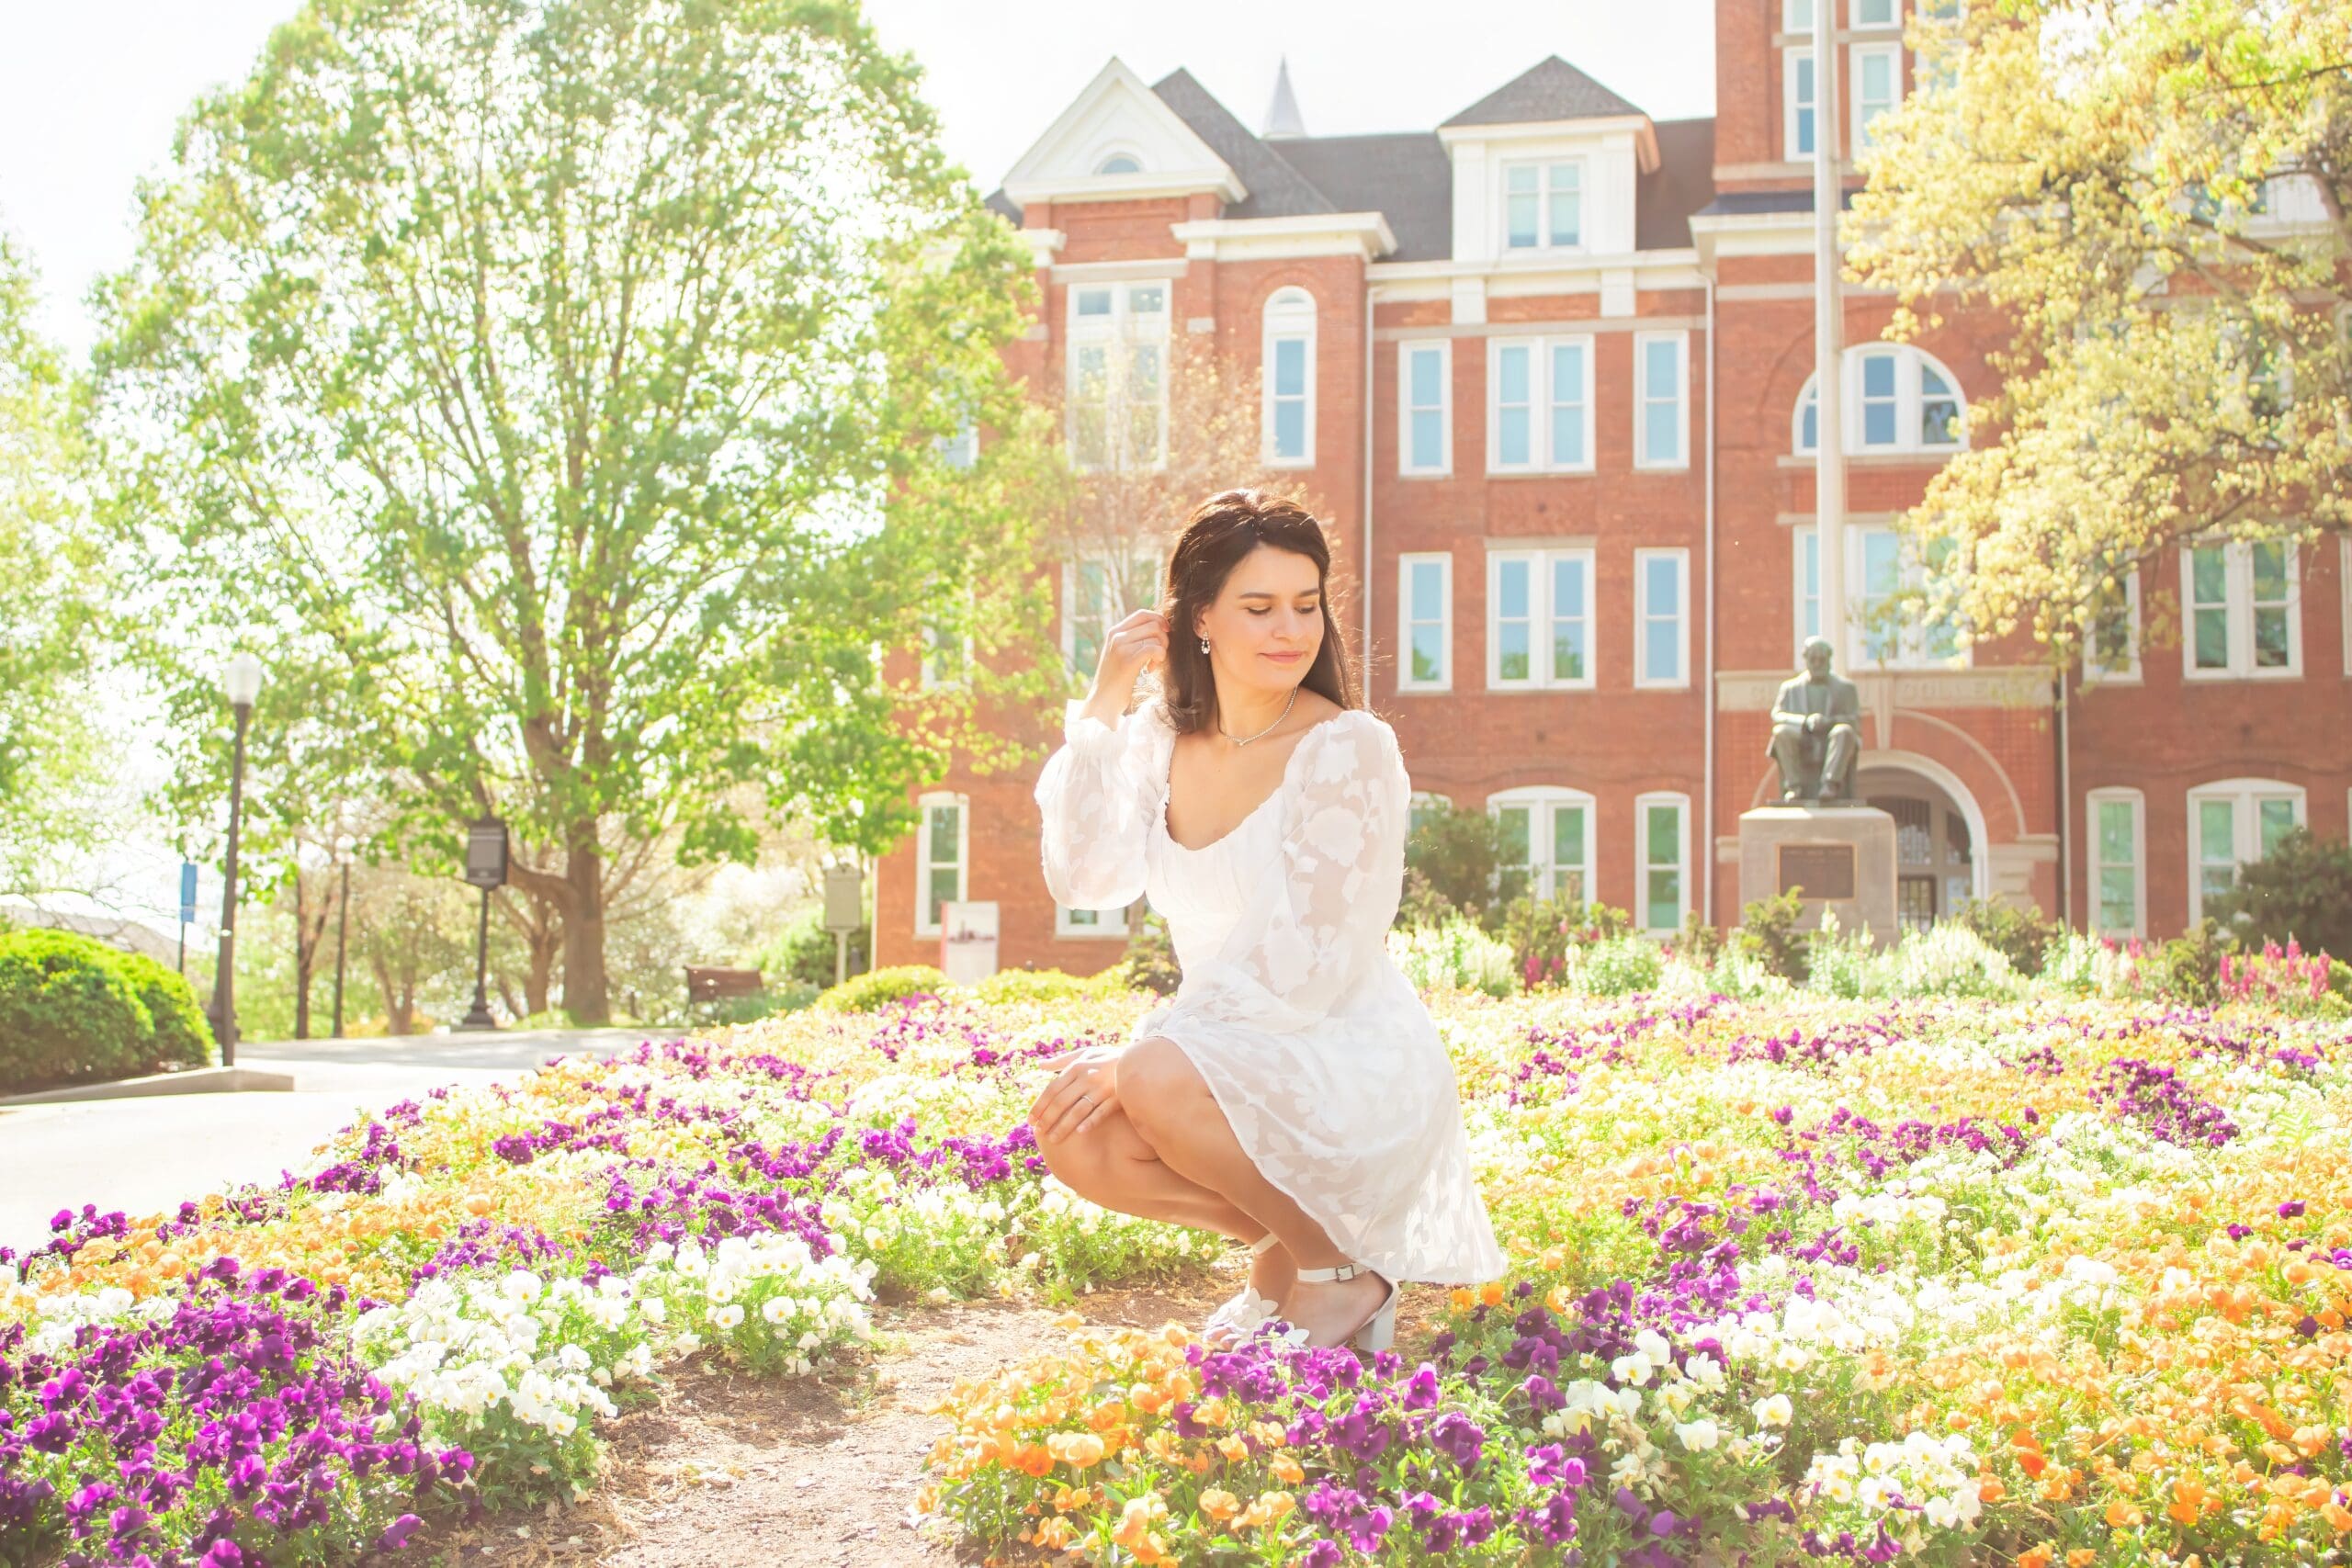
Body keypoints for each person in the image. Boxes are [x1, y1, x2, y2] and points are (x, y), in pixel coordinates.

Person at [1026, 488, 1504, 1353]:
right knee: (1078, 1135)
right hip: (1223, 1049)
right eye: (1259, 607)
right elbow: (1085, 875)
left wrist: (1147, 1057)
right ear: (1198, 618)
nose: (1291, 628)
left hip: (1345, 1053)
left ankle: (1335, 1276)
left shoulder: (1347, 746)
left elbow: (1309, 962)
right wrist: (1103, 704)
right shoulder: (1162, 735)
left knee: (1152, 1081)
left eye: (1306, 603)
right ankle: (1290, 1250)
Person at [1769, 635, 1862, 803]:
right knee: (1780, 732)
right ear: (1805, 659)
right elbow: (1777, 715)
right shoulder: (1790, 688)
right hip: (1802, 738)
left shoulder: (1845, 688)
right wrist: (1805, 721)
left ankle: (1830, 785)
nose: (1818, 664)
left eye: (1822, 659)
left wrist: (1829, 722)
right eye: (1813, 659)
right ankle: (1794, 787)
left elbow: (1854, 719)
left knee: (1845, 731)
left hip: (1832, 740)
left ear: (1829, 659)